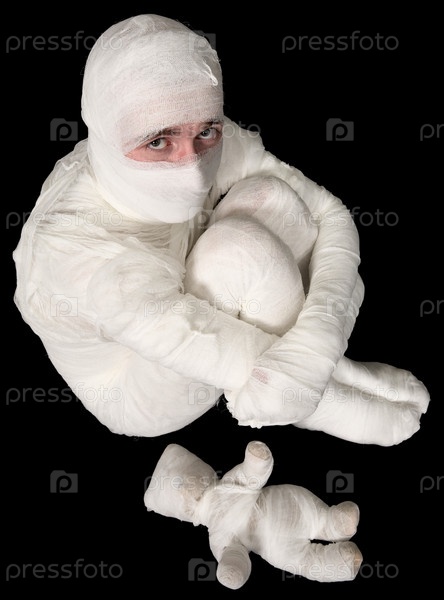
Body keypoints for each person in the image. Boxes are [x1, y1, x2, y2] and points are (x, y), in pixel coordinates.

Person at [13, 14, 429, 446]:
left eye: (207, 132)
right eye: (158, 142)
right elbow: (181, 332)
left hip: (188, 270)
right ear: (107, 130)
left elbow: (331, 214)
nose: (192, 165)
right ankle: (333, 395)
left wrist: (321, 336)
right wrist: (316, 367)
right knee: (237, 251)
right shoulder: (71, 246)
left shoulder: (192, 124)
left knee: (272, 196)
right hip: (132, 381)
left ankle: (313, 366)